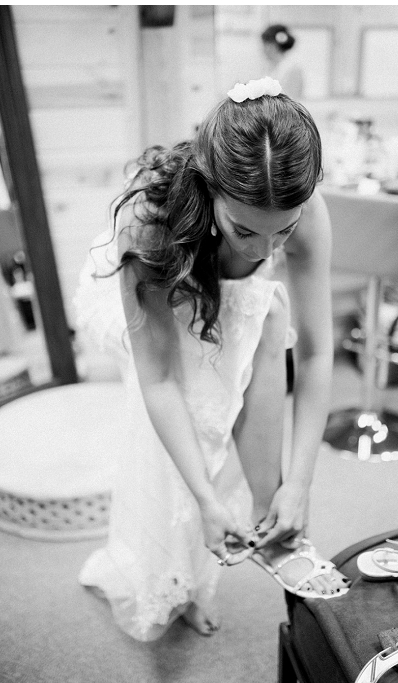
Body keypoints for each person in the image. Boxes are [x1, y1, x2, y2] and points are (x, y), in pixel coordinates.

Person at [74, 77, 346, 642]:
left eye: (283, 233)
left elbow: (318, 354)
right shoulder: (149, 222)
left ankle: (272, 518)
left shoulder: (307, 213)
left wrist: (301, 482)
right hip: (159, 280)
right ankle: (175, 580)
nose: (264, 250)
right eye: (244, 228)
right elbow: (159, 380)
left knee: (271, 324)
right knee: (192, 416)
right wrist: (204, 496)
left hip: (239, 298)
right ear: (210, 189)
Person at [261, 24, 306, 99]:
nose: (263, 50)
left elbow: (293, 99)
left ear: (272, 45)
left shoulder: (292, 68)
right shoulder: (270, 67)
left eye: (265, 45)